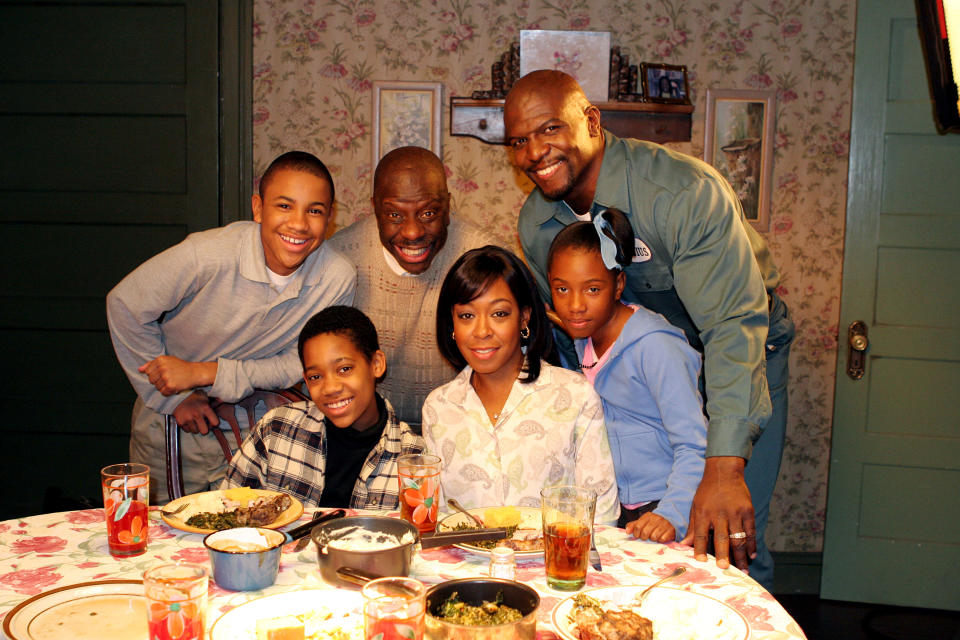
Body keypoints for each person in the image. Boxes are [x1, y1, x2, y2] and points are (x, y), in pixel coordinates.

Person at [504, 70, 795, 590]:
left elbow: (732, 325)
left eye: (549, 129)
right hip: (639, 366)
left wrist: (724, 467)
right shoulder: (538, 222)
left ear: (591, 122)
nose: (534, 152)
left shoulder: (682, 193)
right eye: (519, 141)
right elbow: (575, 337)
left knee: (727, 531)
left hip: (736, 350)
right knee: (644, 533)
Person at [107, 151, 356, 503]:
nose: (298, 224)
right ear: (258, 208)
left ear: (329, 218)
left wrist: (204, 373)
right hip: (170, 418)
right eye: (284, 206)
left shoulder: (337, 278)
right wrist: (177, 398)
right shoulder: (206, 255)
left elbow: (299, 363)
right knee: (169, 540)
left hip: (258, 427)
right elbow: (125, 305)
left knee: (255, 535)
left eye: (314, 210)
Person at [422, 245, 619, 524]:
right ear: (451, 323)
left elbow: (601, 516)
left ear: (524, 317)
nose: (482, 331)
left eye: (499, 314)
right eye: (467, 315)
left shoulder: (574, 395)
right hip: (466, 565)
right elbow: (436, 518)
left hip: (553, 563)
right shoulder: (438, 407)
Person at [547, 209, 706, 542]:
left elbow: (695, 445)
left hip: (664, 507)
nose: (575, 305)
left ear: (618, 285)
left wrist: (671, 514)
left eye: (592, 290)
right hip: (612, 510)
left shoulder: (657, 347)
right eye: (562, 290)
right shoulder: (584, 339)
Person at [327, 146, 505, 431]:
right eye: (395, 215)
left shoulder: (486, 259)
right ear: (375, 209)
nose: (412, 232)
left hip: (464, 429)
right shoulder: (338, 261)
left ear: (448, 207)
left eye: (428, 213)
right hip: (364, 429)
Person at [222, 306, 424, 508]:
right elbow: (226, 509)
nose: (330, 388)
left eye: (344, 369)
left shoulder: (413, 456)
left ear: (376, 364)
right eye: (315, 377)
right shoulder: (276, 429)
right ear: (306, 381)